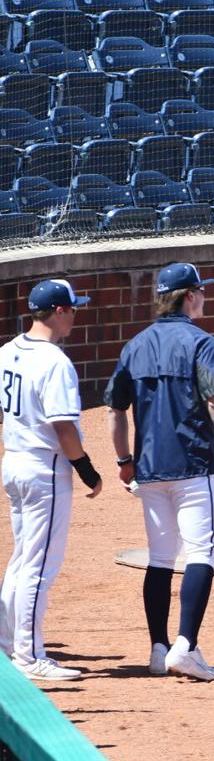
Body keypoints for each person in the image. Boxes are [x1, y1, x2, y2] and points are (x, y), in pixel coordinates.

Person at [105, 262, 214, 682]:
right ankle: (186, 646)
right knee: (202, 553)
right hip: (192, 464)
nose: (204, 297)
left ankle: (158, 648)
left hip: (149, 469)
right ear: (188, 296)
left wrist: (122, 461)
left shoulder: (136, 344)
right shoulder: (200, 343)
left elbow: (116, 411)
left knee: (161, 558)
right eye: (200, 291)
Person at [0, 279, 102, 681]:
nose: (76, 315)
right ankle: (28, 655)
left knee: (22, 558)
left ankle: (9, 645)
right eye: (74, 308)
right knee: (39, 564)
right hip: (45, 468)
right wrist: (87, 469)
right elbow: (62, 426)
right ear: (59, 311)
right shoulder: (55, 362)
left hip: (15, 462)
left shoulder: (6, 350)